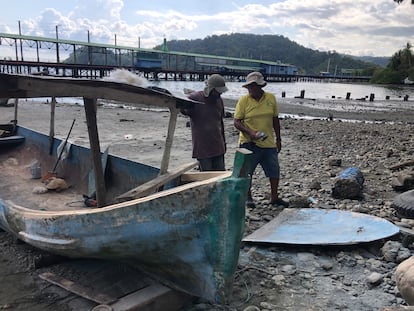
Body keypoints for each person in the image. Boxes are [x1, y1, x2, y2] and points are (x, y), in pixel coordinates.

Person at [234, 71, 289, 208]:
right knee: (247, 172)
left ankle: (274, 197)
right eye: (250, 87)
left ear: (260, 87)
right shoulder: (243, 101)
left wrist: (279, 139)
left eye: (254, 86)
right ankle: (248, 198)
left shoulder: (270, 98)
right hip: (249, 142)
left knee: (274, 171)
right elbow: (237, 122)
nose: (252, 89)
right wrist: (251, 132)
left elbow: (275, 119)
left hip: (268, 142)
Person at [181, 74, 228, 171]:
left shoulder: (219, 101)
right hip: (202, 147)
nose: (220, 94)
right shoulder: (195, 98)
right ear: (211, 89)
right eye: (218, 92)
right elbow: (182, 108)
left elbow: (220, 123)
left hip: (218, 145)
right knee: (206, 177)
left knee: (220, 175)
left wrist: (224, 142)